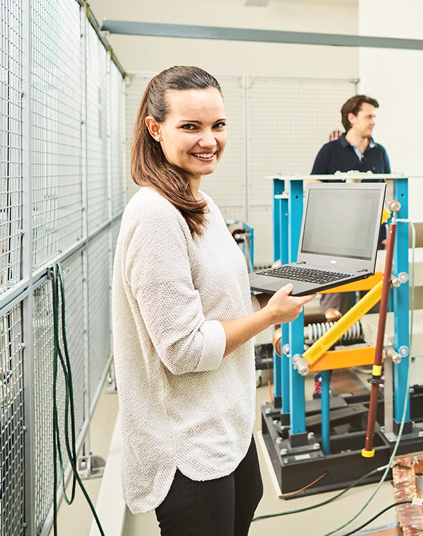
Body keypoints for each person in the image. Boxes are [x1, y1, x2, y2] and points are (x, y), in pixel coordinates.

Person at [112, 66, 315, 535]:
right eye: (191, 127)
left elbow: (215, 299)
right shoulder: (156, 216)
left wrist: (268, 308)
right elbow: (183, 350)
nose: (209, 140)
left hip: (225, 424)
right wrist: (267, 318)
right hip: (188, 447)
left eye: (218, 125)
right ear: (154, 128)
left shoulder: (201, 202)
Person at [310, 94, 391, 320]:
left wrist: (385, 234)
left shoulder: (380, 152)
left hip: (374, 239)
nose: (373, 121)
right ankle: (329, 349)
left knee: (376, 304)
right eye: (368, 116)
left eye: (374, 116)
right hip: (337, 243)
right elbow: (313, 187)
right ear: (352, 118)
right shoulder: (330, 151)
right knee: (333, 308)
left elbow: (386, 191)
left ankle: (374, 353)